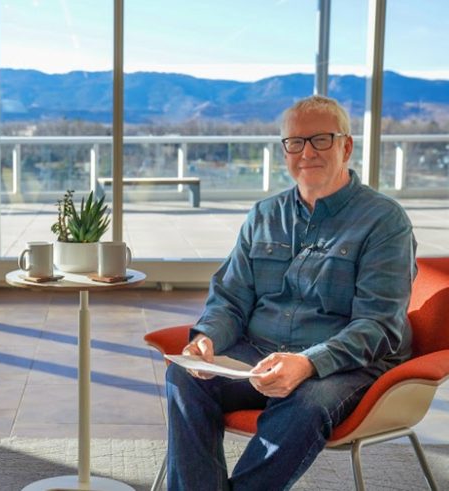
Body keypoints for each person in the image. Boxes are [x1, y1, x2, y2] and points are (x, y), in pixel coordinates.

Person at [165, 95, 417, 490]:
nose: (306, 153)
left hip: (342, 365)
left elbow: (378, 325)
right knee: (185, 378)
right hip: (260, 352)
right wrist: (207, 338)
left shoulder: (384, 221)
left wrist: (307, 363)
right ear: (284, 151)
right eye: (295, 142)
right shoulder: (264, 215)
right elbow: (230, 298)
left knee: (306, 403)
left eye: (321, 139)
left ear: (346, 146)